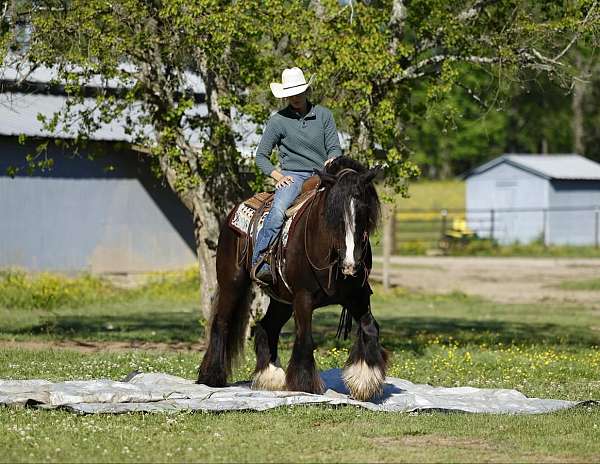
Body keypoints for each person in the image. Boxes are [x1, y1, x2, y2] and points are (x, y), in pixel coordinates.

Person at [252, 66, 342, 284]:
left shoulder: (324, 115)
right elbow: (261, 156)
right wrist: (278, 176)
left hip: (322, 175)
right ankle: (260, 261)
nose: (295, 97)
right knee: (278, 210)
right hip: (293, 176)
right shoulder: (277, 121)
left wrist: (332, 159)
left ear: (306, 91)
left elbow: (334, 148)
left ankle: (350, 259)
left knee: (347, 208)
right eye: (290, 93)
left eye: (298, 92)